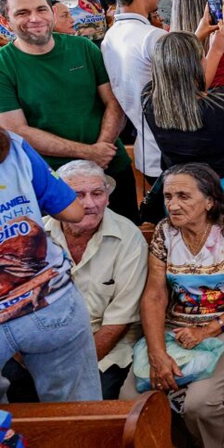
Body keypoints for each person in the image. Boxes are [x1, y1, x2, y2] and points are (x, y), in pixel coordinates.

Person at [119, 163, 224, 447]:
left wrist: (208, 330)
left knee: (200, 403)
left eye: (183, 196)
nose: (173, 205)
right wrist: (157, 352)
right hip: (178, 324)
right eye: (168, 197)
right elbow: (154, 296)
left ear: (209, 201)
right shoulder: (164, 232)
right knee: (130, 400)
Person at [0, 0, 139, 224]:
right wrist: (89, 154)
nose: (35, 18)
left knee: (127, 239)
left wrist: (100, 150)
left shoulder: (84, 47)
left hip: (110, 165)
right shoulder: (4, 65)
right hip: (53, 181)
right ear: (5, 21)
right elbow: (17, 130)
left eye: (41, 9)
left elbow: (114, 102)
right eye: (22, 13)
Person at [0, 128, 101, 403]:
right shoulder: (14, 148)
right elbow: (73, 211)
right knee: (77, 415)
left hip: (39, 298)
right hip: (49, 302)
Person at [144, 16, 224, 225]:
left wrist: (208, 45)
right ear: (198, 66)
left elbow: (185, 83)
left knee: (191, 252)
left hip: (181, 196)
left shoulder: (150, 100)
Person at [42, 160, 146, 399]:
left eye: (97, 193)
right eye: (78, 195)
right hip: (41, 349)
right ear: (59, 199)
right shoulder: (36, 236)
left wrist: (74, 365)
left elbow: (119, 322)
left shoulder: (128, 238)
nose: (89, 204)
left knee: (92, 404)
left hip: (104, 350)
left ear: (107, 198)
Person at [101, 0, 165, 185]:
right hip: (170, 149)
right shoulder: (153, 37)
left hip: (146, 150)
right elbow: (189, 89)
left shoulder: (110, 36)